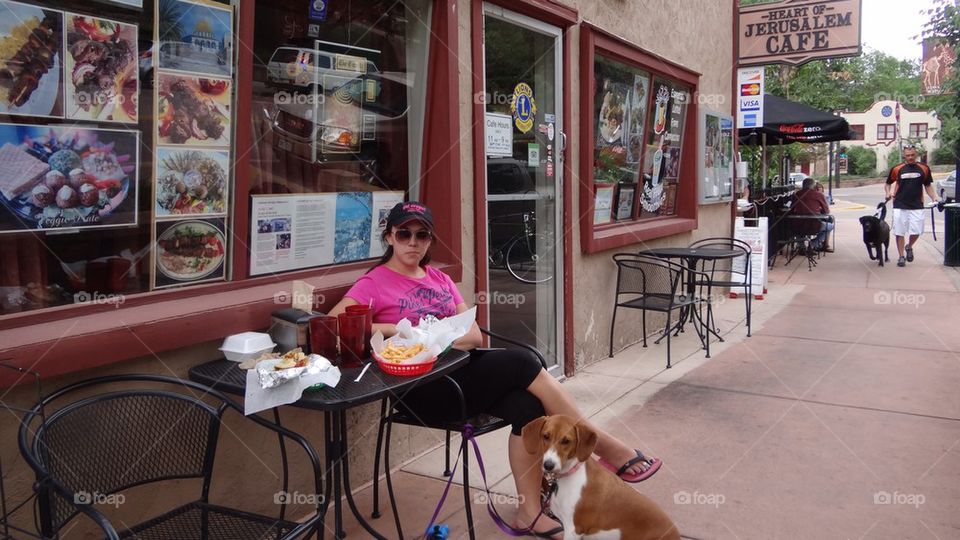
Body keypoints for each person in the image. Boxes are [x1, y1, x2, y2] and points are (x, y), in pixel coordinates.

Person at [328, 201, 661, 538]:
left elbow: (472, 335)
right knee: (522, 362)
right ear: (389, 237)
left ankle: (528, 513)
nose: (412, 241)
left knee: (527, 408)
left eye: (421, 234)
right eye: (404, 233)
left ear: (430, 240)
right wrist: (397, 330)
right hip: (422, 388)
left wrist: (430, 338)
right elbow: (334, 325)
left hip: (459, 372)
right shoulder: (375, 282)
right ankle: (603, 445)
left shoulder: (439, 278)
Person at [885, 145, 938, 267]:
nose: (910, 157)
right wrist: (888, 193)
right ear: (904, 155)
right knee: (899, 231)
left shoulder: (924, 168)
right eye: (907, 155)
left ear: (916, 154)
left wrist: (934, 197)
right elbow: (888, 184)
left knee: (917, 231)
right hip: (899, 204)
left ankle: (909, 246)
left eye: (912, 155)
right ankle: (901, 256)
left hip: (917, 205)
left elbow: (928, 185)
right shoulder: (897, 169)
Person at [790, 177, 833, 251]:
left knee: (797, 226)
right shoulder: (819, 195)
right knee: (830, 226)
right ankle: (813, 244)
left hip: (799, 225)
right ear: (813, 186)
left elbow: (792, 209)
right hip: (815, 226)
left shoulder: (797, 194)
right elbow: (826, 211)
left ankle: (801, 246)